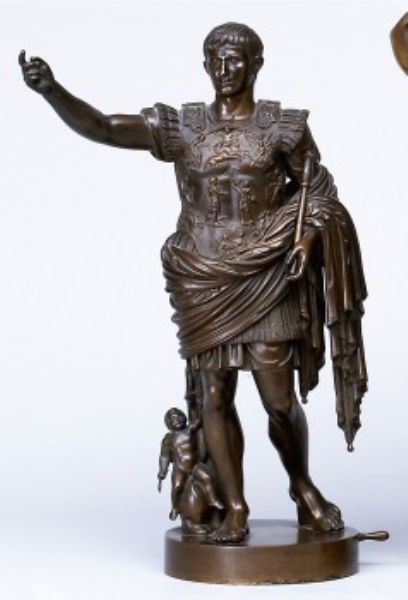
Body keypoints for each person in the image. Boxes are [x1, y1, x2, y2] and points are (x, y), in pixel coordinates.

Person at [19, 22, 367, 543]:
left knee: (278, 399)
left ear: (256, 64)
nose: (224, 69)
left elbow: (318, 191)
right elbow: (105, 128)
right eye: (215, 59)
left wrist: (306, 241)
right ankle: (235, 507)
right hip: (203, 275)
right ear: (205, 65)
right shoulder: (184, 127)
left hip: (268, 272)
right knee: (214, 395)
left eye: (235, 59)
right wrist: (53, 91)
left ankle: (302, 487)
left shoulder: (283, 127)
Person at [158, 407, 223, 521]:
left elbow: (199, 421)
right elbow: (164, 456)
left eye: (179, 417)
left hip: (195, 465)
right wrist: (162, 471)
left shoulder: (190, 430)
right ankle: (175, 507)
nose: (177, 420)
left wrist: (203, 407)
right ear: (168, 423)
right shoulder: (168, 438)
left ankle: (212, 500)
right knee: (177, 487)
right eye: (173, 419)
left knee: (206, 478)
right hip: (180, 468)